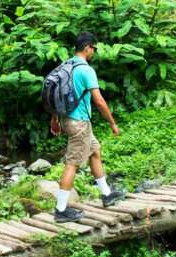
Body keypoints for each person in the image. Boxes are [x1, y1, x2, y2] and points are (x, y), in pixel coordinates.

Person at [49, 32, 126, 223]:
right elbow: (98, 100)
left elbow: (58, 95)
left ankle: (107, 194)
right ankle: (60, 210)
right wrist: (112, 123)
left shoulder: (66, 65)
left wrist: (54, 119)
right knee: (72, 163)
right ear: (87, 47)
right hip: (79, 123)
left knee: (95, 152)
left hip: (70, 120)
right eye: (94, 48)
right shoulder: (86, 70)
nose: (94, 52)